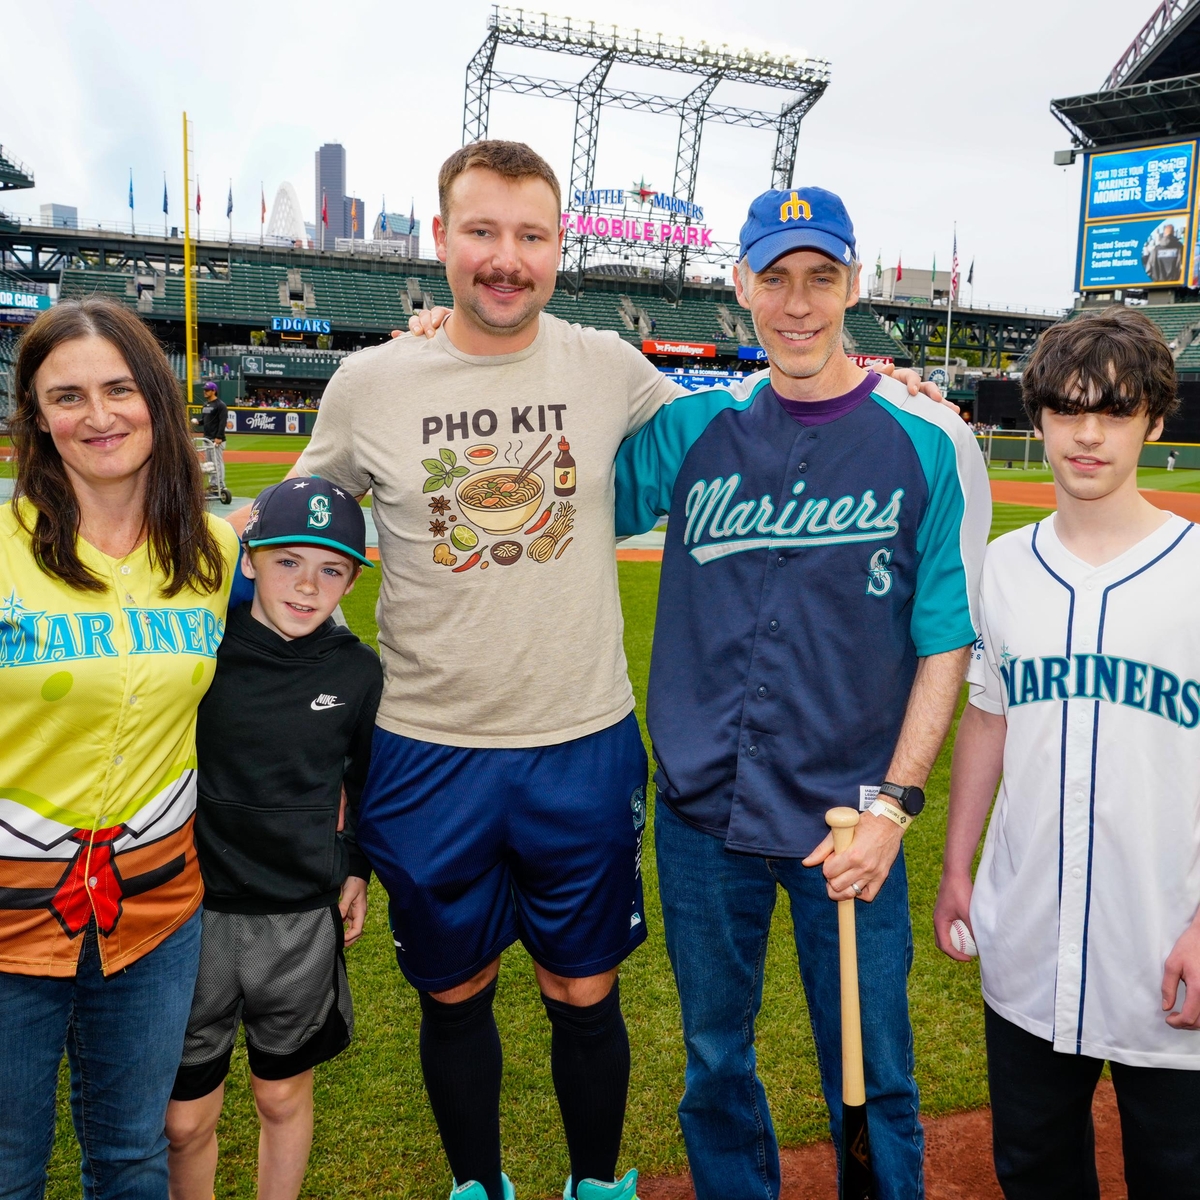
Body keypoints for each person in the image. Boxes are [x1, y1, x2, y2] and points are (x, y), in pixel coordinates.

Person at [613, 187, 991, 1200]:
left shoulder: (925, 440)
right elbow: (553, 474)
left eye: (820, 278)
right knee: (714, 1065)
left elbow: (945, 642)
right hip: (703, 815)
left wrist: (894, 807)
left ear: (853, 285)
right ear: (739, 286)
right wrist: (454, 335)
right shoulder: (690, 430)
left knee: (877, 1076)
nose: (797, 303)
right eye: (774, 277)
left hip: (848, 823)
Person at [934, 307, 1200, 1197]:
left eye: (1115, 411)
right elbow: (987, 718)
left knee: (1178, 1173)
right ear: (1036, 417)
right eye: (1067, 409)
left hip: (1168, 941)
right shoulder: (1005, 568)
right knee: (1035, 1169)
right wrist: (957, 867)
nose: (1087, 435)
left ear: (1154, 422)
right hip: (1030, 935)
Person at [0, 297, 239, 1197]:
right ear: (37, 417)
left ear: (159, 401)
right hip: (7, 909)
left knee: (134, 1157)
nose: (97, 417)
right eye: (67, 398)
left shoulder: (211, 553)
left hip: (155, 912)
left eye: (119, 389)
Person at [165, 477, 382, 1200]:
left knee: (281, 1098)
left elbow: (363, 778)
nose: (307, 585)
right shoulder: (200, 649)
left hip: (297, 918)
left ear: (351, 579)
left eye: (331, 569)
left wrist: (354, 868)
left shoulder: (356, 670)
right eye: (287, 561)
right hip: (193, 917)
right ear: (248, 560)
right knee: (185, 1120)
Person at [193, 381, 228, 495]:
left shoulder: (220, 405)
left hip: (216, 439)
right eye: (204, 390)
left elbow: (222, 422)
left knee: (217, 462)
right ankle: (213, 485)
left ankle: (220, 486)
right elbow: (206, 420)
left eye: (207, 390)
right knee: (210, 464)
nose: (205, 392)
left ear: (214, 391)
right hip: (207, 438)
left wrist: (219, 437)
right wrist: (198, 422)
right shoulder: (206, 405)